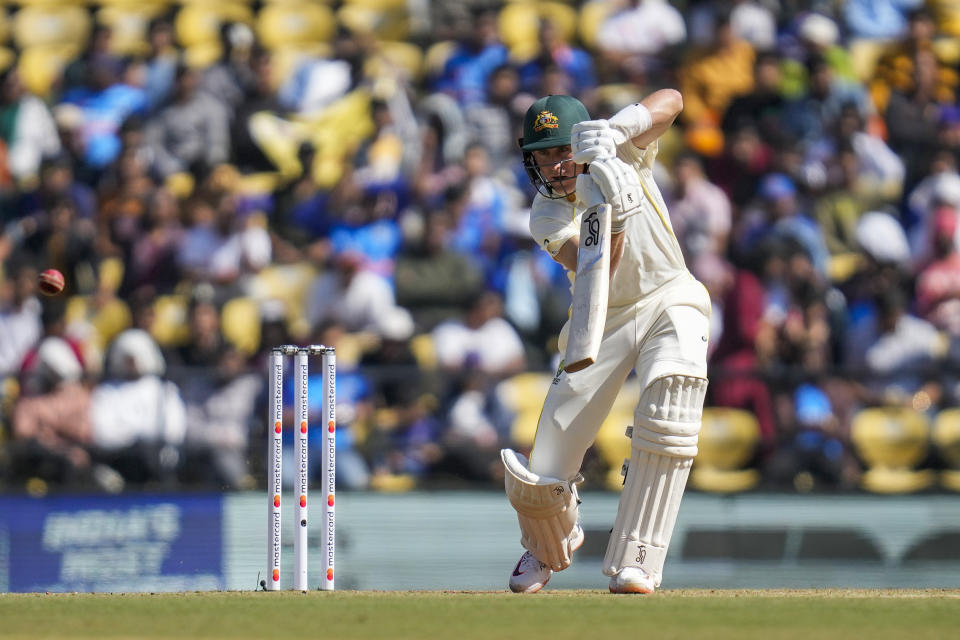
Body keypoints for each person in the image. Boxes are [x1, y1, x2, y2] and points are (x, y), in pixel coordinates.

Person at [502, 93, 711, 594]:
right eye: (544, 155)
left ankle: (639, 555)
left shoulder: (626, 152)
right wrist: (612, 216)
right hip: (600, 318)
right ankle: (551, 540)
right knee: (546, 463)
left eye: (561, 150)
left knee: (671, 396)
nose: (554, 165)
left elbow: (673, 101)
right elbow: (596, 268)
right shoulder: (545, 215)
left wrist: (618, 132)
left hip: (669, 296)